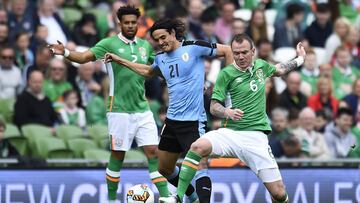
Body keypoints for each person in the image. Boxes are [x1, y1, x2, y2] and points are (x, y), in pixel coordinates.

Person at [159, 33, 306, 203]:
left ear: (253, 51)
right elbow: (214, 107)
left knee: (279, 194)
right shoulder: (226, 74)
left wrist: (300, 59)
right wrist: (227, 112)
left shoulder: (261, 66)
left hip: (255, 138)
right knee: (197, 146)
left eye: (244, 52)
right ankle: (178, 196)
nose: (240, 57)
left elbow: (280, 69)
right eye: (236, 53)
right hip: (230, 133)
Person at [47, 5, 171, 202]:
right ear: (119, 23)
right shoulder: (109, 43)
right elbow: (85, 57)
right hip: (119, 109)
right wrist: (67, 53)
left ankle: (166, 197)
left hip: (142, 108)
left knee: (153, 152)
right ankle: (112, 199)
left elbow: (156, 68)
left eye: (133, 22)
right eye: (127, 22)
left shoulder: (144, 46)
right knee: (118, 154)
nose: (130, 26)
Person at [104, 18, 233, 203]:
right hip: (172, 121)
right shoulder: (161, 58)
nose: (161, 42)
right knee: (164, 169)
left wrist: (224, 91)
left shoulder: (194, 47)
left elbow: (227, 51)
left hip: (193, 120)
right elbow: (148, 72)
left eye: (163, 37)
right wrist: (120, 60)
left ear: (173, 33)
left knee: (200, 164)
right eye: (157, 40)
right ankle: (193, 197)